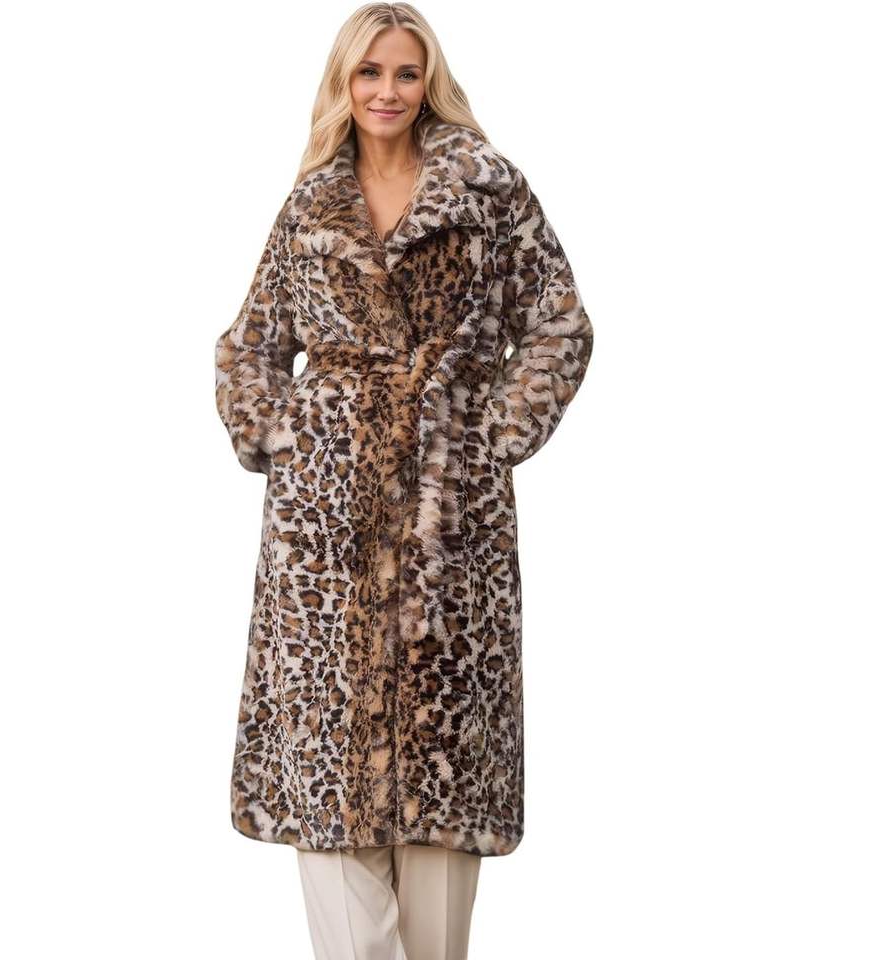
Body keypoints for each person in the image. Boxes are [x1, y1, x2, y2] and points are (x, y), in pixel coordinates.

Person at [214, 3, 594, 957]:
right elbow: (248, 345)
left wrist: (491, 435)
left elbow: (560, 323)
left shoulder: (486, 189)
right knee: (329, 788)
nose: (387, 91)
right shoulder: (311, 205)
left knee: (441, 802)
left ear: (431, 83)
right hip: (325, 530)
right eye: (369, 72)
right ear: (343, 82)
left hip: (448, 519)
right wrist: (285, 433)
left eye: (406, 72)